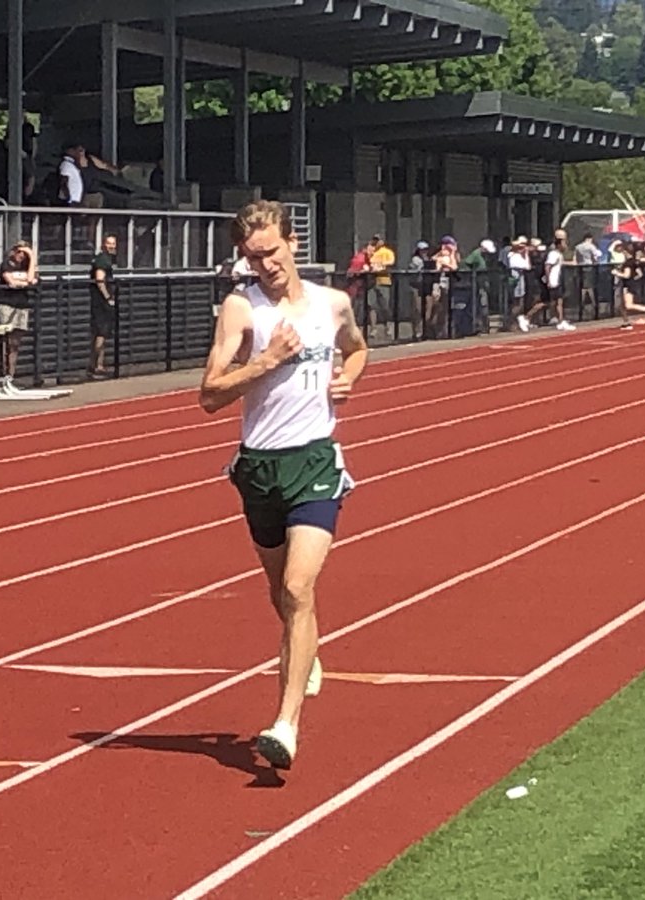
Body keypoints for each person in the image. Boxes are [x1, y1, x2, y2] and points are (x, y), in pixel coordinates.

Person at [199, 200, 368, 771]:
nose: (265, 264)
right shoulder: (241, 309)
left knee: (298, 588)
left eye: (272, 252)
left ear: (293, 243)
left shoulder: (332, 303)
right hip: (260, 469)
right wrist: (267, 361)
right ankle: (306, 646)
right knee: (283, 594)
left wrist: (347, 378)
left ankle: (285, 724)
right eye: (253, 257)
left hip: (316, 461)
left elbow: (359, 348)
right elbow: (210, 394)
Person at [0, 241, 38, 381]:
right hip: (7, 305)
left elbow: (32, 279)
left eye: (24, 253)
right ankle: (2, 373)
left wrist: (32, 257)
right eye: (19, 252)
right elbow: (11, 282)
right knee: (5, 340)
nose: (21, 255)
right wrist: (23, 283)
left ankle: (11, 375)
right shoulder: (6, 264)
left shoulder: (28, 266)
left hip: (22, 305)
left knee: (15, 343)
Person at [87, 234, 117, 379]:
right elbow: (100, 280)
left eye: (113, 244)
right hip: (101, 303)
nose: (112, 246)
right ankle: (95, 366)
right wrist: (108, 298)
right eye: (109, 243)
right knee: (101, 333)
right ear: (103, 245)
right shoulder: (102, 260)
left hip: (102, 303)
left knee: (103, 334)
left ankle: (99, 365)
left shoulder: (106, 260)